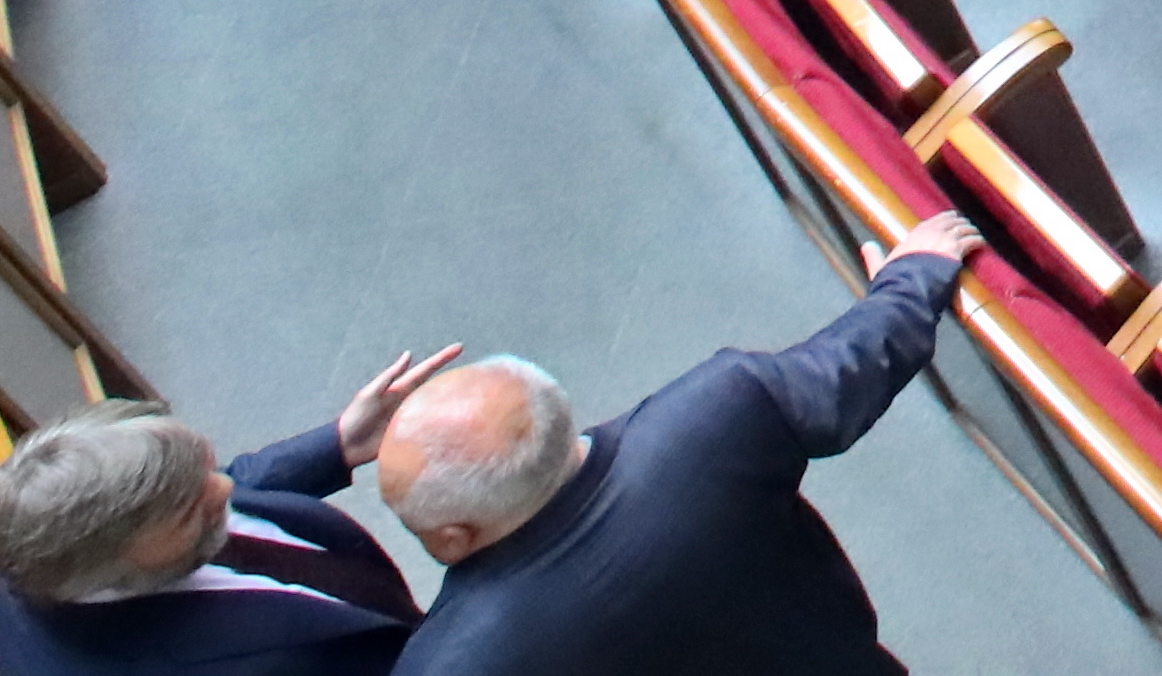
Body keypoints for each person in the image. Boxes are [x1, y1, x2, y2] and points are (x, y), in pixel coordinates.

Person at [364, 226, 980, 675]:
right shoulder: (718, 415)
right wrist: (913, 276)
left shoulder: (453, 664)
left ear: (451, 535)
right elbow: (852, 366)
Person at [0, 356, 450, 669]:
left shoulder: (128, 528)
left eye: (205, 468)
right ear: (114, 561)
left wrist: (339, 444)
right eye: (190, 510)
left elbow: (216, 486)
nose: (227, 488)